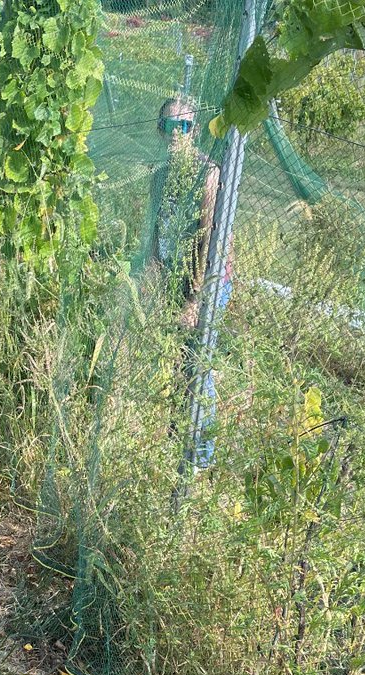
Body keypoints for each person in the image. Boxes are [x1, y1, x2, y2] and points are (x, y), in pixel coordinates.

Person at [152, 96, 232, 469]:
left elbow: (208, 241)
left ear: (194, 131)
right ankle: (177, 441)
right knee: (180, 362)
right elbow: (158, 234)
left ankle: (200, 458)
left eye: (183, 126)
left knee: (198, 364)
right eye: (170, 126)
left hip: (206, 281)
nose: (176, 134)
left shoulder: (207, 174)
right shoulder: (160, 176)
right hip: (176, 277)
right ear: (160, 130)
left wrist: (194, 299)